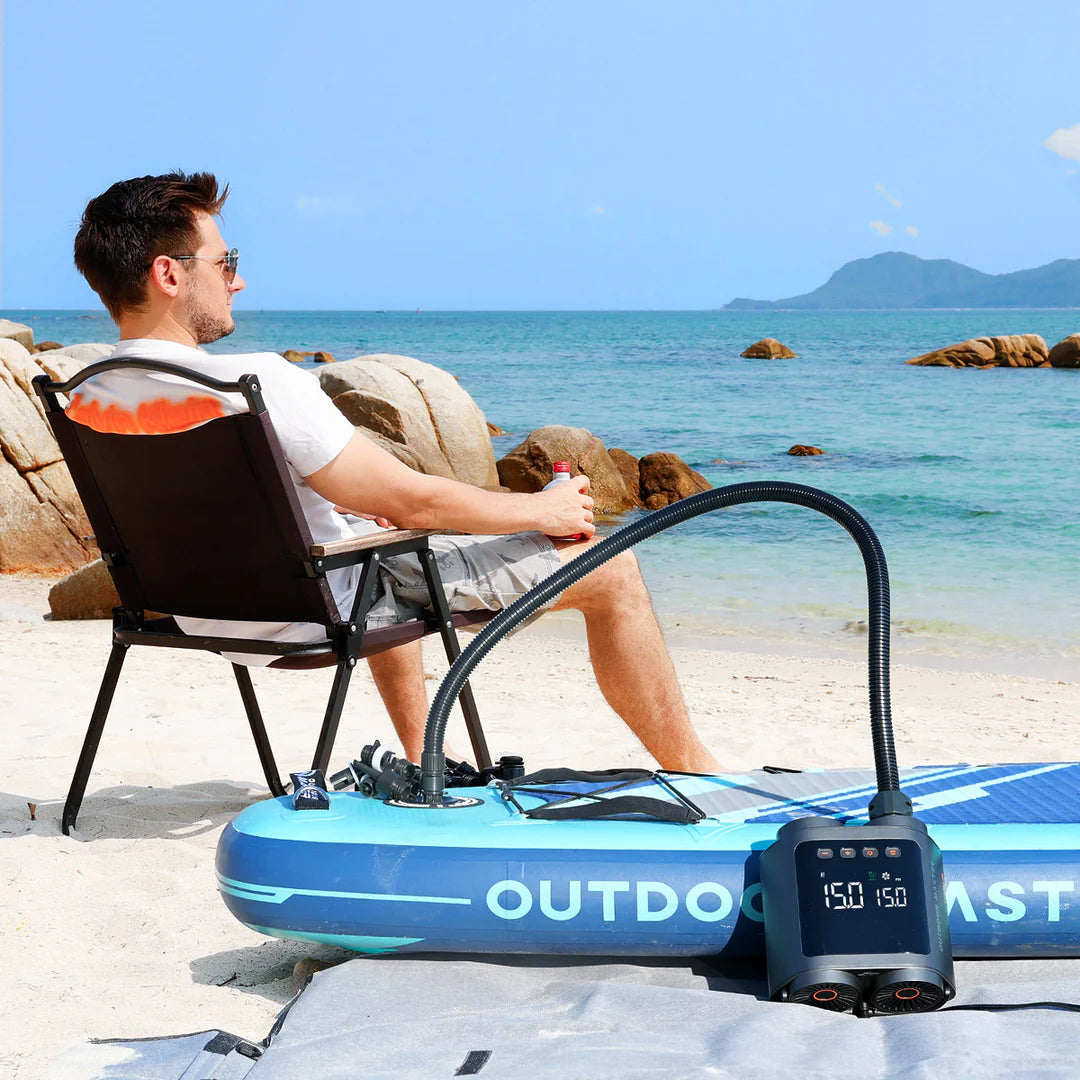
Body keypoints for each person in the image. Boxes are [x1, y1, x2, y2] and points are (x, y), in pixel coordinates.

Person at [72, 171, 719, 772]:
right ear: (168, 273)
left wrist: (350, 507)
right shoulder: (257, 381)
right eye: (225, 262)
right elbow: (417, 505)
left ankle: (421, 752)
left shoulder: (88, 397)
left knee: (373, 534)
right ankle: (696, 769)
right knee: (613, 570)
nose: (236, 282)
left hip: (204, 617)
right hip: (320, 612)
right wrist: (543, 510)